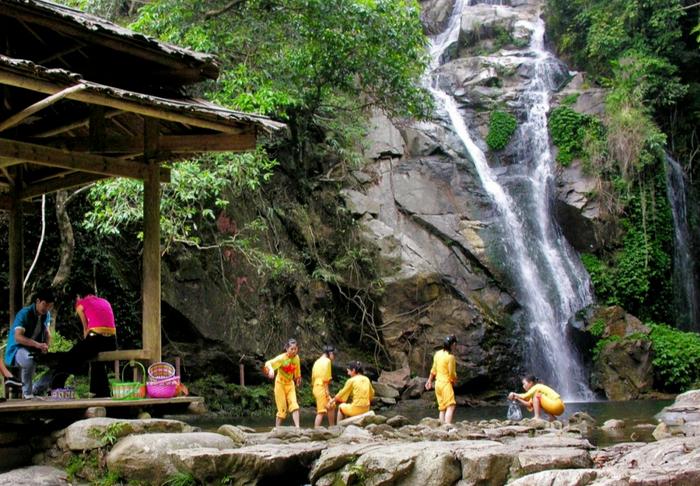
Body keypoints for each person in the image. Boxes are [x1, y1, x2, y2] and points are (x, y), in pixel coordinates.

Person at [33, 285, 118, 398]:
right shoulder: (105, 301)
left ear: (78, 296)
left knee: (70, 358)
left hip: (96, 338)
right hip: (112, 341)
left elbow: (86, 329)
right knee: (97, 362)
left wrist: (84, 345)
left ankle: (56, 387)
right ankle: (101, 393)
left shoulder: (81, 303)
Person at [4, 288, 54, 399]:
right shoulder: (24, 313)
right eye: (44, 305)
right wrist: (37, 344)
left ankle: (37, 388)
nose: (46, 308)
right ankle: (28, 394)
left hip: (35, 349)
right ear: (37, 301)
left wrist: (45, 345)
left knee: (58, 364)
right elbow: (18, 337)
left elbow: (47, 333)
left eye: (49, 306)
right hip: (17, 349)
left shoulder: (47, 315)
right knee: (28, 361)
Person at [264, 338, 302, 428]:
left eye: (295, 349)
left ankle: (297, 427)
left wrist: (298, 379)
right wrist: (270, 371)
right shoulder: (281, 358)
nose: (293, 351)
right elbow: (267, 364)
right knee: (282, 409)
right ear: (287, 349)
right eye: (291, 349)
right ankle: (277, 429)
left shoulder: (297, 358)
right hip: (280, 384)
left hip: (290, 384)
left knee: (294, 405)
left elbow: (297, 370)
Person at [425, 334, 458, 424]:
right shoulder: (450, 357)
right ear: (453, 345)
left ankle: (441, 426)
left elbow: (433, 369)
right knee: (451, 406)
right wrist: (454, 380)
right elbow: (451, 373)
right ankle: (447, 426)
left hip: (437, 384)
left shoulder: (438, 354)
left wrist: (429, 380)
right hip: (445, 384)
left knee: (442, 408)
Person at [312, 345, 336, 428]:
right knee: (321, 411)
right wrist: (327, 392)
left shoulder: (317, 361)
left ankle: (332, 427)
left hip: (316, 387)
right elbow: (326, 380)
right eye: (334, 354)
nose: (334, 356)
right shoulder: (327, 361)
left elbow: (313, 378)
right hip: (321, 387)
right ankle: (316, 430)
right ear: (330, 353)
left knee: (331, 405)